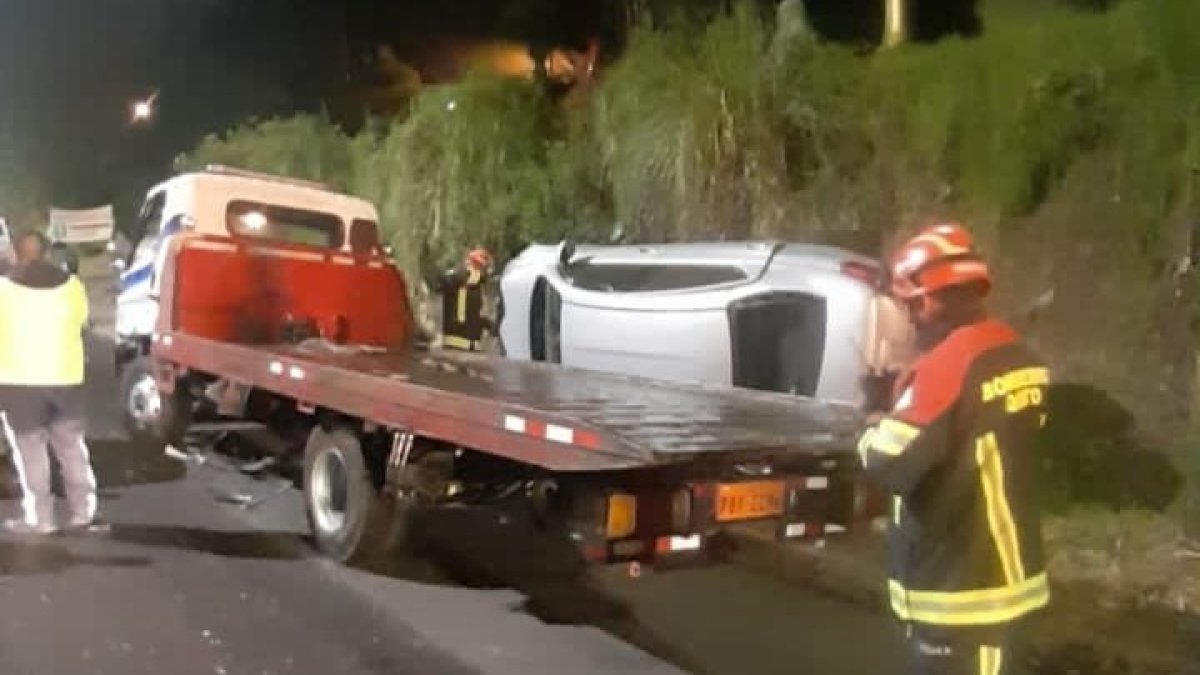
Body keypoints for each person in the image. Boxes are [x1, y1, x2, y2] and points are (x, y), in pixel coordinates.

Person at [857, 222, 1050, 675]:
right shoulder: (1017, 353)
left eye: (904, 306)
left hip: (962, 597)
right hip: (1009, 584)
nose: (902, 318)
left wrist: (872, 422)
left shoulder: (947, 367)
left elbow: (889, 461)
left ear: (925, 304)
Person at [0, 230, 101, 534]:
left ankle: (42, 519)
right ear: (46, 253)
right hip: (65, 379)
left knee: (31, 451)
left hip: (19, 382)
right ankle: (82, 512)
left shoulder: (3, 289)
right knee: (71, 448)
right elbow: (82, 322)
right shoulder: (73, 286)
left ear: (15, 253)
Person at [432, 247, 493, 352]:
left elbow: (471, 315)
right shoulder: (456, 280)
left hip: (472, 348)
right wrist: (461, 275)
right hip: (455, 347)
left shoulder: (475, 290)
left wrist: (487, 324)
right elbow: (439, 284)